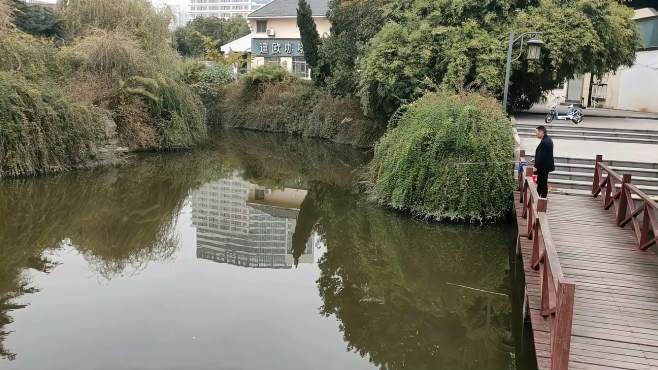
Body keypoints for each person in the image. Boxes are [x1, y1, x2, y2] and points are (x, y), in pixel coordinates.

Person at [533, 125, 555, 198]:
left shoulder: (545, 142)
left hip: (544, 167)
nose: (535, 134)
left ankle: (542, 199)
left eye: (536, 132)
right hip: (545, 166)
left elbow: (541, 156)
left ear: (541, 132)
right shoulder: (547, 139)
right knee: (541, 182)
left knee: (542, 183)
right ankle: (539, 198)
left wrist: (536, 167)